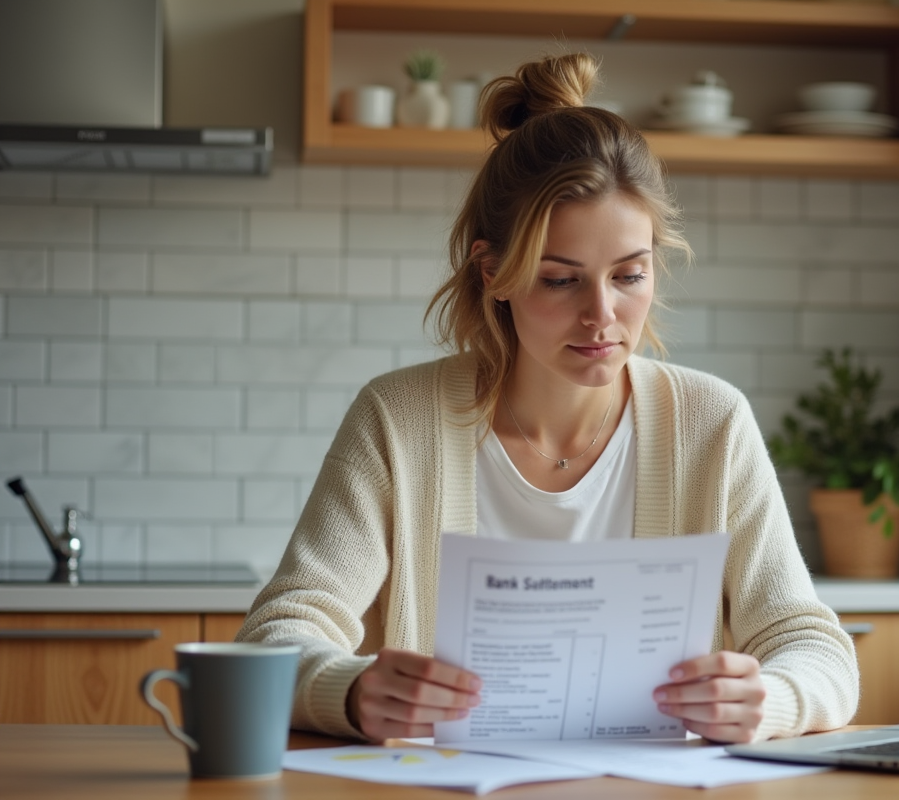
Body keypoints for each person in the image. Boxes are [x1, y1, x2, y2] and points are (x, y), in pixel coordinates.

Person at [236, 52, 858, 745]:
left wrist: (771, 698)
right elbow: (275, 636)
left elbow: (816, 648)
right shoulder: (399, 420)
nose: (603, 315)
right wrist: (349, 691)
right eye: (561, 280)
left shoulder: (710, 423)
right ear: (493, 271)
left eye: (630, 275)